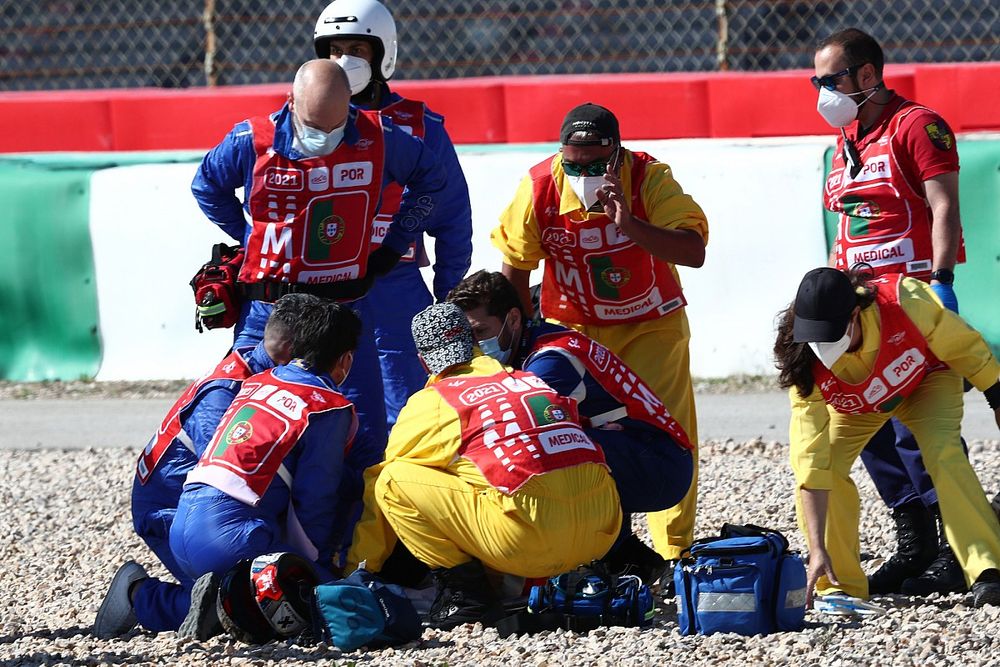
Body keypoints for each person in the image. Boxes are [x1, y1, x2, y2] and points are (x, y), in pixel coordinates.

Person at [190, 59, 447, 512]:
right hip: (269, 310)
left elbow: (432, 183)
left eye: (335, 127)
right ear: (291, 103)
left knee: (357, 427)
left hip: (343, 312)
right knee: (249, 416)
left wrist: (391, 247)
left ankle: (358, 536)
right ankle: (247, 520)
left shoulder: (381, 136)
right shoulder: (251, 139)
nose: (323, 139)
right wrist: (247, 235)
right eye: (313, 127)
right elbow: (206, 185)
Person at [491, 102, 708, 561]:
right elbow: (515, 267)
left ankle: (675, 550)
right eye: (573, 163)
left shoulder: (650, 178)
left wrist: (626, 222)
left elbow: (693, 250)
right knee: (568, 430)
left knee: (666, 426)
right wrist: (516, 339)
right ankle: (599, 542)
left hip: (651, 322)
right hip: (574, 327)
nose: (582, 171)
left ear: (617, 155)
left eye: (594, 164)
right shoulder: (540, 186)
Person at [346, 303, 622, 630]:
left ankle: (469, 597)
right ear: (474, 343)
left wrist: (359, 570)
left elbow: (383, 488)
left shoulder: (435, 401)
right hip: (602, 533)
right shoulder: (529, 381)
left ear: (423, 361)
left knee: (392, 480)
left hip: (529, 544)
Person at [814, 28, 970, 594]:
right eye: (816, 80)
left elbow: (945, 205)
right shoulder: (844, 138)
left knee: (918, 427)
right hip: (859, 307)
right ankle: (916, 537)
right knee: (865, 419)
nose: (821, 92)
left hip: (913, 299)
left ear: (867, 76)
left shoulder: (918, 125)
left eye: (830, 80)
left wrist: (943, 283)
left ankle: (958, 546)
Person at [447, 269, 694, 584]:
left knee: (543, 448)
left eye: (480, 331)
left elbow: (516, 431)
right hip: (640, 452)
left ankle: (591, 559)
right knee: (560, 443)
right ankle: (630, 561)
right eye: (468, 337)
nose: (475, 345)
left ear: (512, 319)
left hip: (660, 466)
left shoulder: (551, 358)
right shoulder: (531, 345)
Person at [774, 266, 1000, 607]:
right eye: (815, 334)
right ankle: (839, 583)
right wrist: (817, 548)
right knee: (828, 465)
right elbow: (811, 459)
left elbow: (966, 347)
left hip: (926, 379)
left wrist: (996, 394)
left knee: (942, 452)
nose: (822, 344)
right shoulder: (801, 355)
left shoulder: (906, 301)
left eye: (831, 333)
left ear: (855, 313)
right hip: (861, 402)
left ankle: (987, 571)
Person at [92, 294, 309, 639]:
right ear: (288, 349)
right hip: (170, 507)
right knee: (255, 603)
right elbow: (227, 473)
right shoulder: (225, 392)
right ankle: (139, 596)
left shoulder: (258, 369)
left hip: (195, 499)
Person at [314, 0, 473, 427]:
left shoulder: (420, 125)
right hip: (321, 285)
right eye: (334, 50)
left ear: (383, 53)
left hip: (395, 283)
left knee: (411, 406)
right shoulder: (300, 119)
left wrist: (449, 295)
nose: (343, 61)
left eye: (357, 50)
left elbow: (453, 216)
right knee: (327, 407)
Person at [169, 298, 361, 639]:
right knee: (333, 605)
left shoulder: (257, 381)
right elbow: (316, 498)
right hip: (232, 540)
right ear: (345, 360)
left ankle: (146, 599)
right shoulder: (327, 406)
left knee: (257, 595)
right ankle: (225, 606)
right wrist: (315, 568)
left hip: (181, 526)